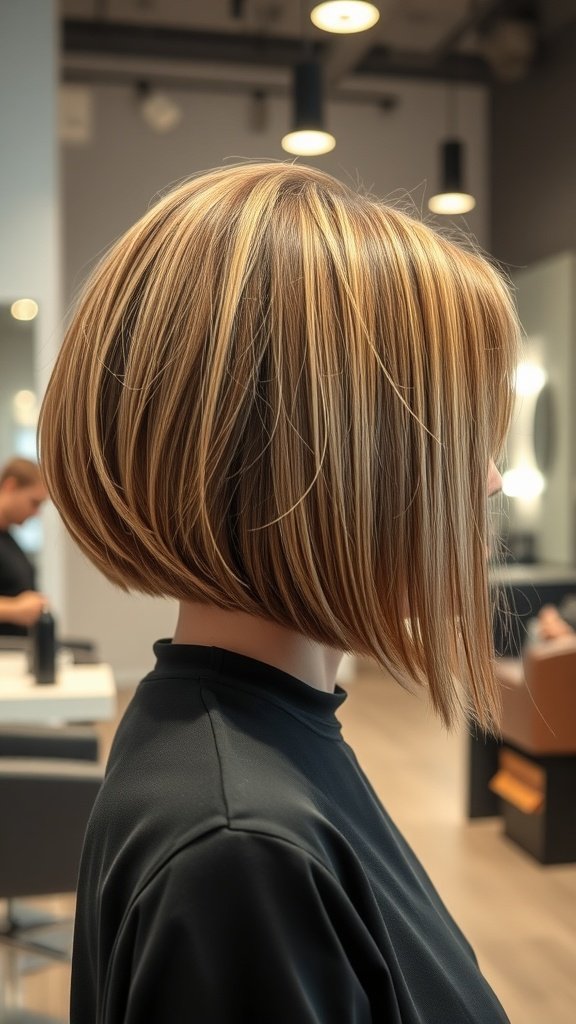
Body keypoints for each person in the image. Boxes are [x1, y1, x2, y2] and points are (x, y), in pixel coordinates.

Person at [39, 163, 519, 1023]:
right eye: (462, 436)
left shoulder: (248, 746)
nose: (486, 480)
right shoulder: (244, 852)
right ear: (333, 464)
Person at [0, 457, 47, 634]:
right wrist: (15, 609)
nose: (36, 513)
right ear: (10, 487)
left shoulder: (9, 540)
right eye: (34, 503)